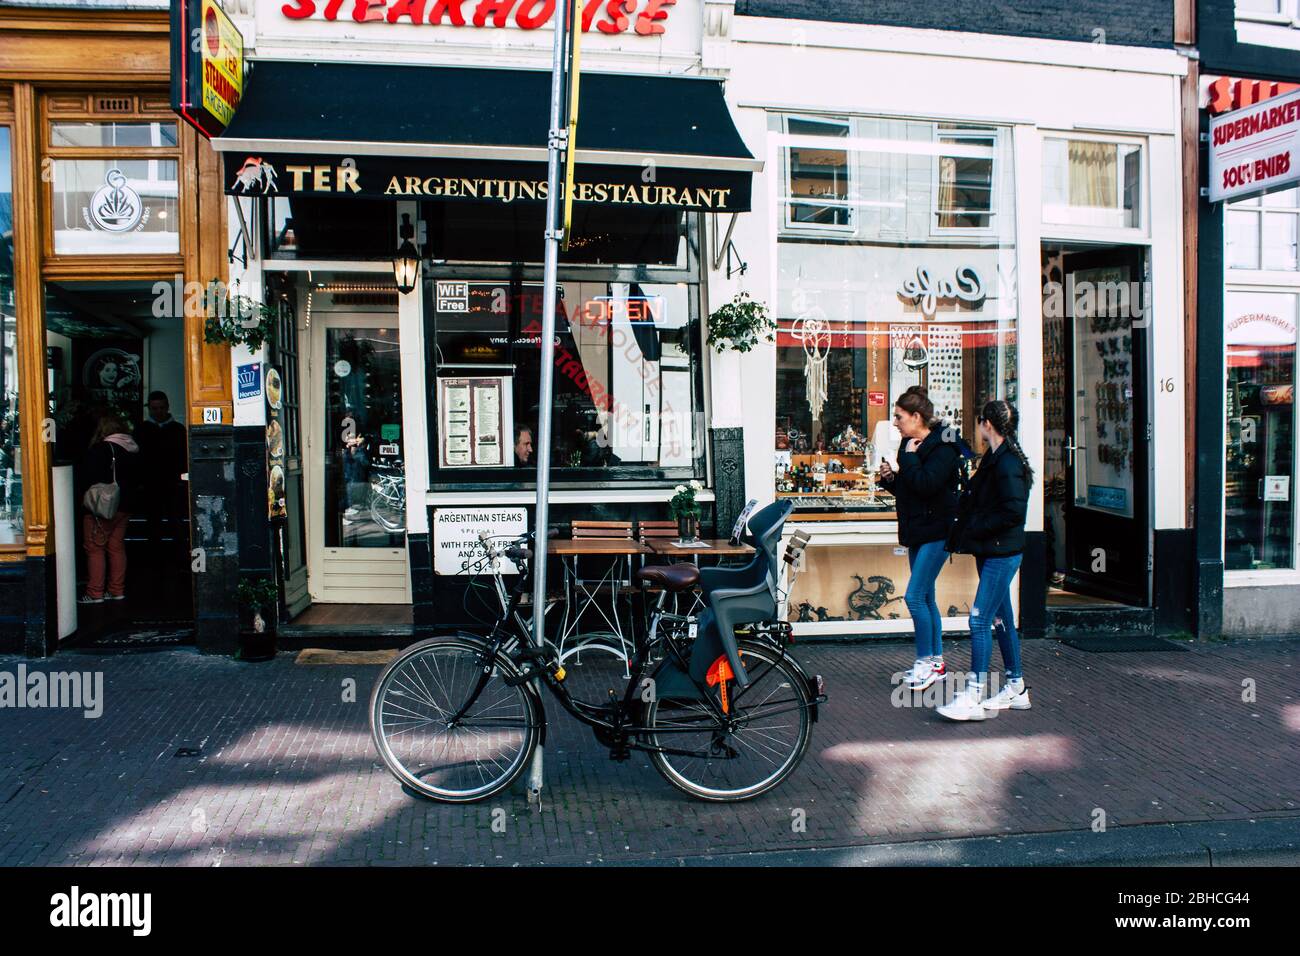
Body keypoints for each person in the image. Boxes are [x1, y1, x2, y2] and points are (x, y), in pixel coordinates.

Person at [938, 399, 1033, 721]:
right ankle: (1016, 686)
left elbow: (1013, 512)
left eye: (979, 423)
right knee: (1001, 617)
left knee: (979, 620)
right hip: (994, 549)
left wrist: (975, 527)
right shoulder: (998, 457)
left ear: (986, 425)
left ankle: (973, 695)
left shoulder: (1006, 464)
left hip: (1000, 552)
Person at [878, 386, 964, 691]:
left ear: (916, 417)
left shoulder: (943, 446)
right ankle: (935, 662)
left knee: (914, 596)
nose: (895, 423)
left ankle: (926, 661)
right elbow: (911, 488)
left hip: (939, 530)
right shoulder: (907, 442)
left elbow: (927, 485)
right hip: (917, 529)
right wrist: (892, 479)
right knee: (926, 596)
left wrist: (910, 461)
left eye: (899, 417)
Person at [78, 415, 142, 604]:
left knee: (95, 548)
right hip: (125, 506)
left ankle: (95, 592)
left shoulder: (101, 449)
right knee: (116, 547)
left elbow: (88, 477)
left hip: (103, 505)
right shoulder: (132, 448)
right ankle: (116, 590)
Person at [136, 391, 188, 565]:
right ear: (149, 409)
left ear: (167, 407)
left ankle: (179, 558)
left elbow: (183, 458)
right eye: (154, 408)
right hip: (151, 483)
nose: (158, 412)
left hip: (172, 482)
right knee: (154, 522)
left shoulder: (179, 430)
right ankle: (155, 558)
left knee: (176, 521)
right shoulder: (142, 430)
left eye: (161, 408)